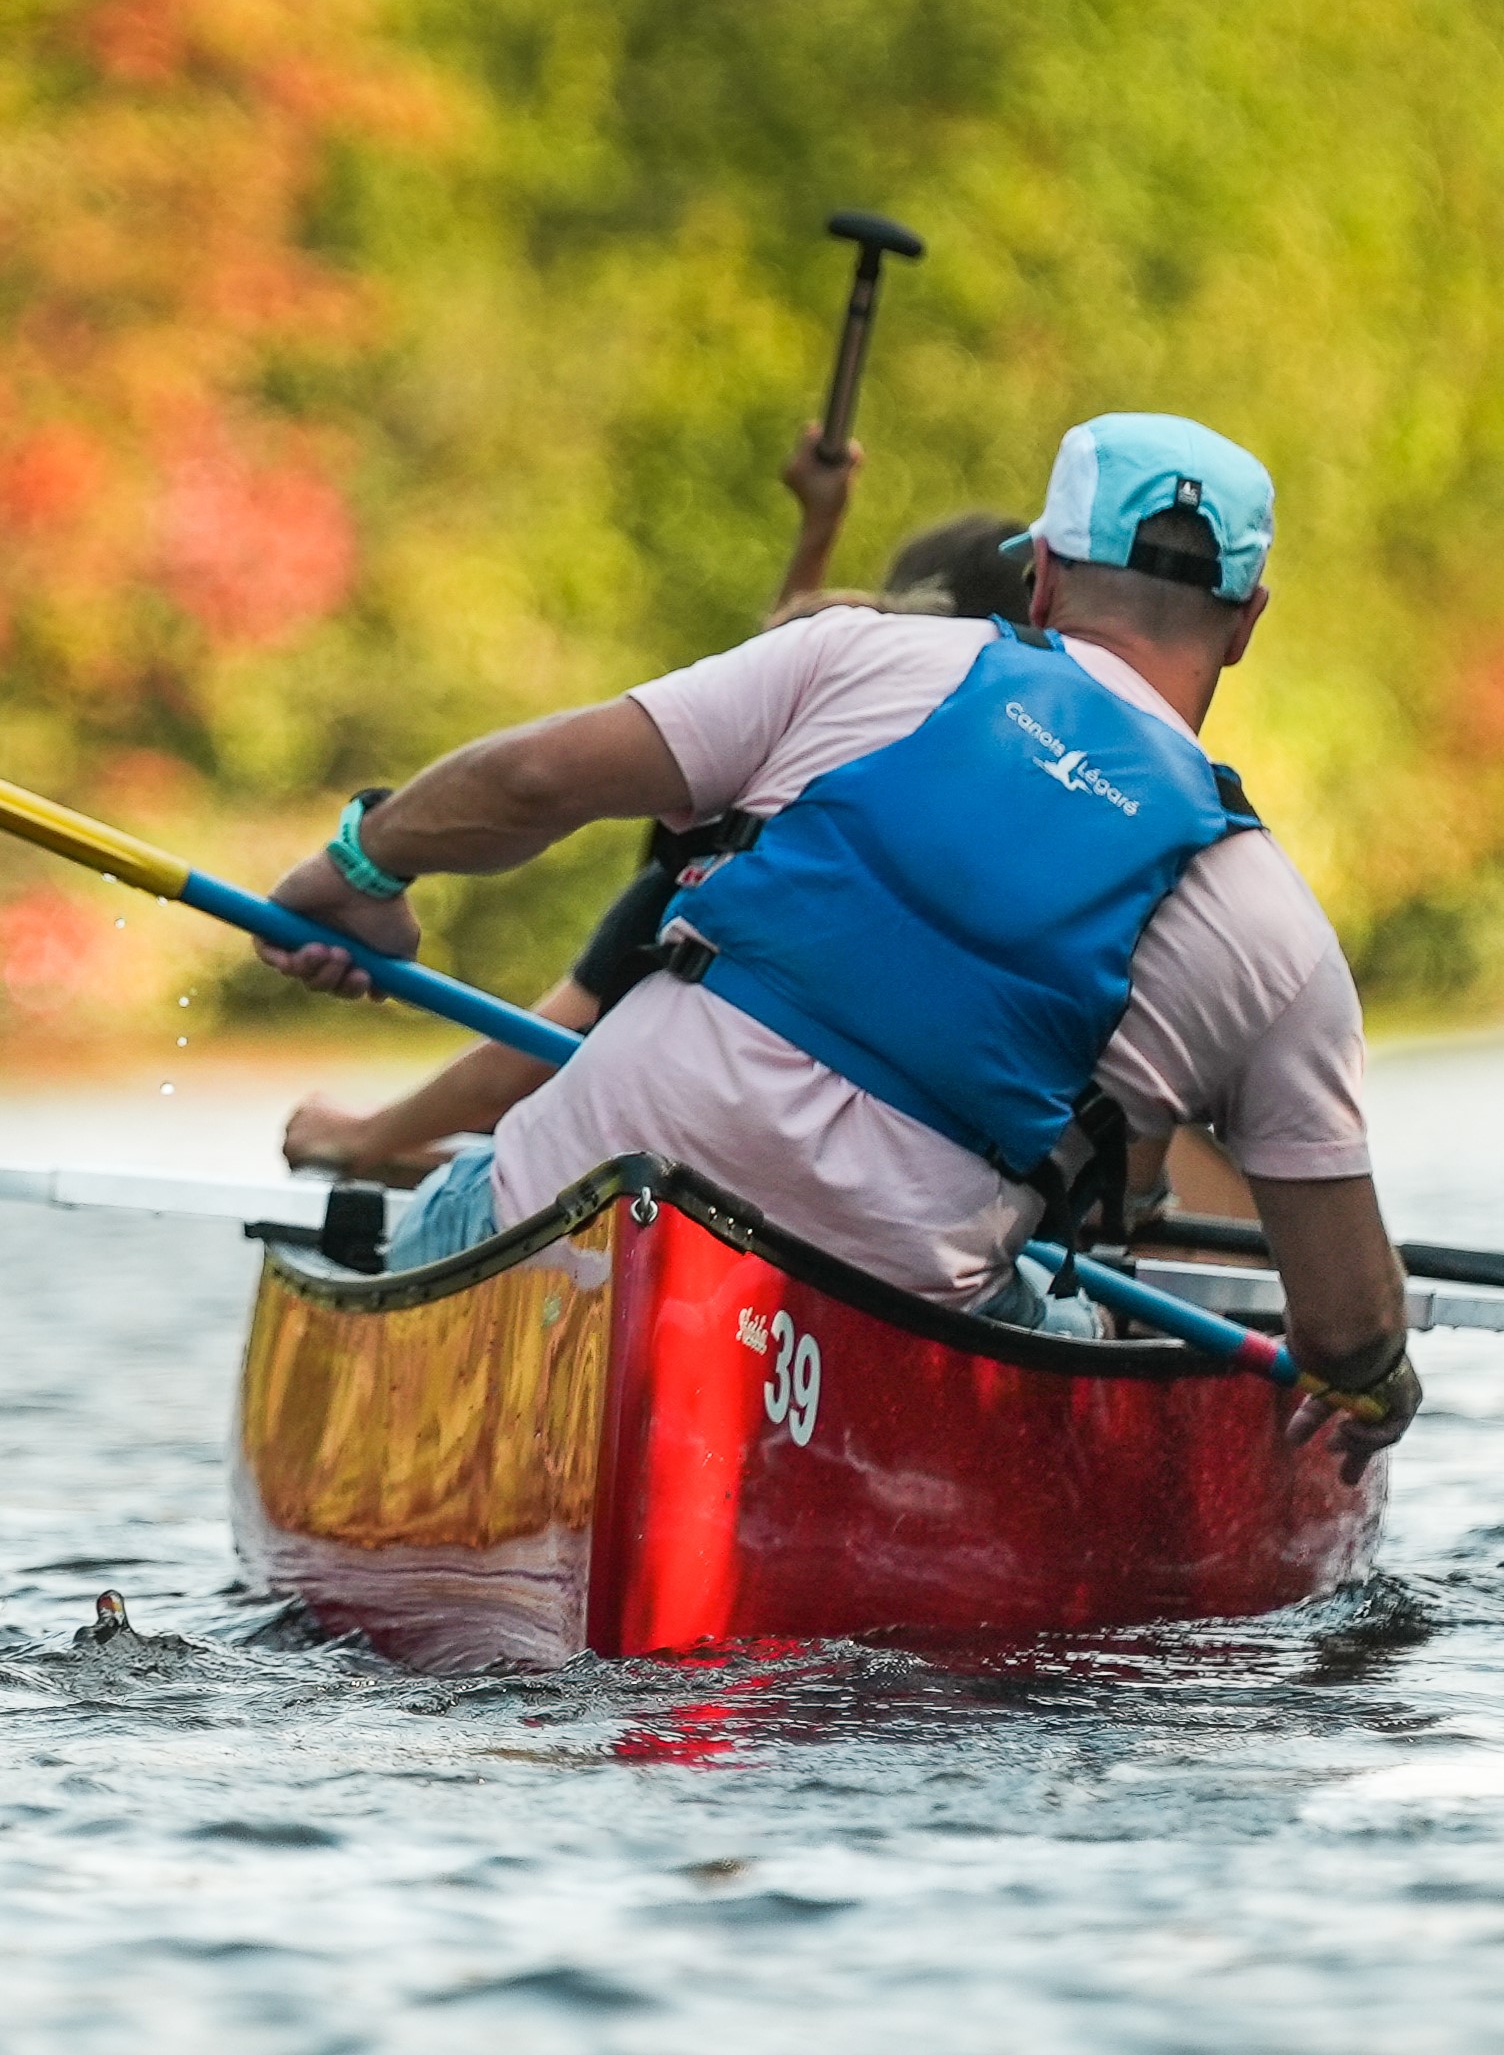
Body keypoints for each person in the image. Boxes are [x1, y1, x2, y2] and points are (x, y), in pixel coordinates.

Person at [252, 413, 1420, 1480]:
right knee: (1084, 1327)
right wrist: (1379, 1381)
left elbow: (530, 778)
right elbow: (1348, 1326)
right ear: (1250, 621)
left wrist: (363, 868)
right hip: (870, 1349)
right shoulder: (1278, 937)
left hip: (560, 1223)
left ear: (1046, 572)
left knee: (463, 1195)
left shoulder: (853, 657)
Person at [281, 434, 1031, 1187]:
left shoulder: (773, 822)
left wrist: (359, 1139)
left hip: (687, 1142)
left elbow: (540, 1045)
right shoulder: (1033, 828)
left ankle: (413, 1151)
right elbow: (782, 684)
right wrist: (817, 527)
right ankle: (434, 1151)